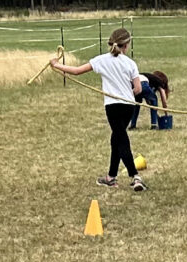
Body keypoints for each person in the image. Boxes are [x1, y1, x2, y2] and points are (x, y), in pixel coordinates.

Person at [51, 25, 149, 190]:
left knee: (121, 139)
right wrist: (128, 92)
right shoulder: (131, 63)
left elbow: (76, 71)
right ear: (126, 45)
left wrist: (56, 65)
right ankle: (111, 177)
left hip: (112, 107)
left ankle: (135, 177)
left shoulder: (101, 60)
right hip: (128, 107)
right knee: (116, 139)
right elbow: (138, 89)